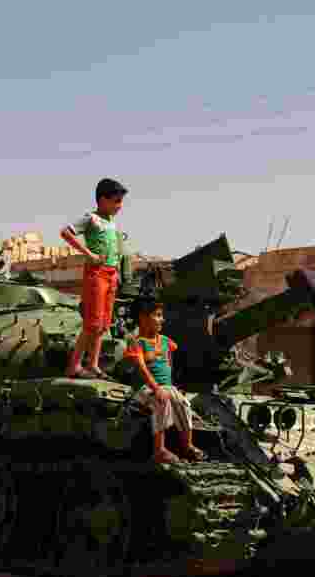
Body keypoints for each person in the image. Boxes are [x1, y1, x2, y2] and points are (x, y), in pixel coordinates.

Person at [60, 178, 128, 379]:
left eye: (120, 201)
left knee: (104, 325)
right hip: (96, 273)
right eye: (116, 201)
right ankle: (74, 366)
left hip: (111, 273)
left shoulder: (111, 223)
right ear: (102, 200)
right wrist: (88, 254)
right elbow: (66, 232)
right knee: (92, 323)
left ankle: (93, 364)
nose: (120, 206)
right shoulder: (91, 218)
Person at [124, 297, 206, 464]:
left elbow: (170, 360)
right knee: (162, 402)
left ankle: (187, 445)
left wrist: (172, 386)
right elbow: (142, 368)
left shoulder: (166, 342)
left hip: (166, 386)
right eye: (158, 315)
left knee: (183, 403)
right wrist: (156, 388)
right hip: (145, 388)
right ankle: (159, 449)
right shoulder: (137, 343)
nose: (162, 319)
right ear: (143, 318)